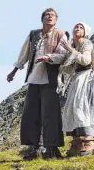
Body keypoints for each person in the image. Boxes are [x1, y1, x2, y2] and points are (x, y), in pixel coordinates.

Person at [7, 8, 69, 160]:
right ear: (42, 19)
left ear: (56, 20)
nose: (49, 17)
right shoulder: (33, 34)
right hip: (34, 79)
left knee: (51, 114)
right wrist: (14, 71)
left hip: (51, 78)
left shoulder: (61, 34)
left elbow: (63, 54)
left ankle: (52, 149)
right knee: (31, 113)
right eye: (47, 15)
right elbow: (24, 54)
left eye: (52, 15)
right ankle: (33, 149)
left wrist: (48, 57)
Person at [57, 22, 94, 156]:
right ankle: (77, 143)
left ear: (85, 32)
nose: (77, 29)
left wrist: (69, 50)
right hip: (77, 78)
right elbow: (69, 68)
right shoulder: (73, 46)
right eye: (76, 27)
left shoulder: (87, 43)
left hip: (87, 78)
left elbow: (85, 60)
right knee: (71, 108)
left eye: (81, 27)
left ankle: (90, 142)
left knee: (81, 107)